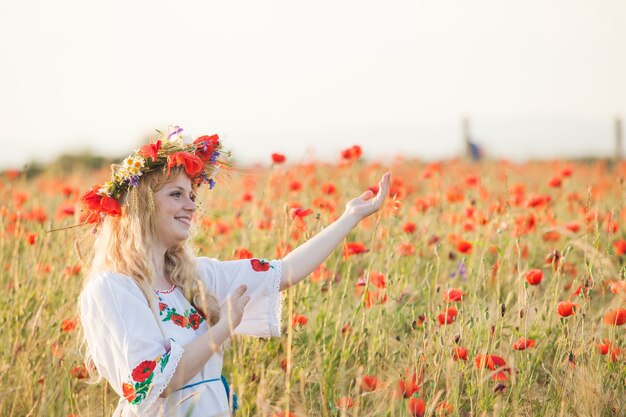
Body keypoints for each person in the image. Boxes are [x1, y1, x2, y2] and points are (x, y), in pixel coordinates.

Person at [78, 127, 391, 417]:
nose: (191, 206)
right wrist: (223, 327)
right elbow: (154, 382)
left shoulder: (194, 278)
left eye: (192, 196)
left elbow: (284, 272)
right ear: (141, 205)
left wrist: (350, 217)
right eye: (176, 194)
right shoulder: (113, 287)